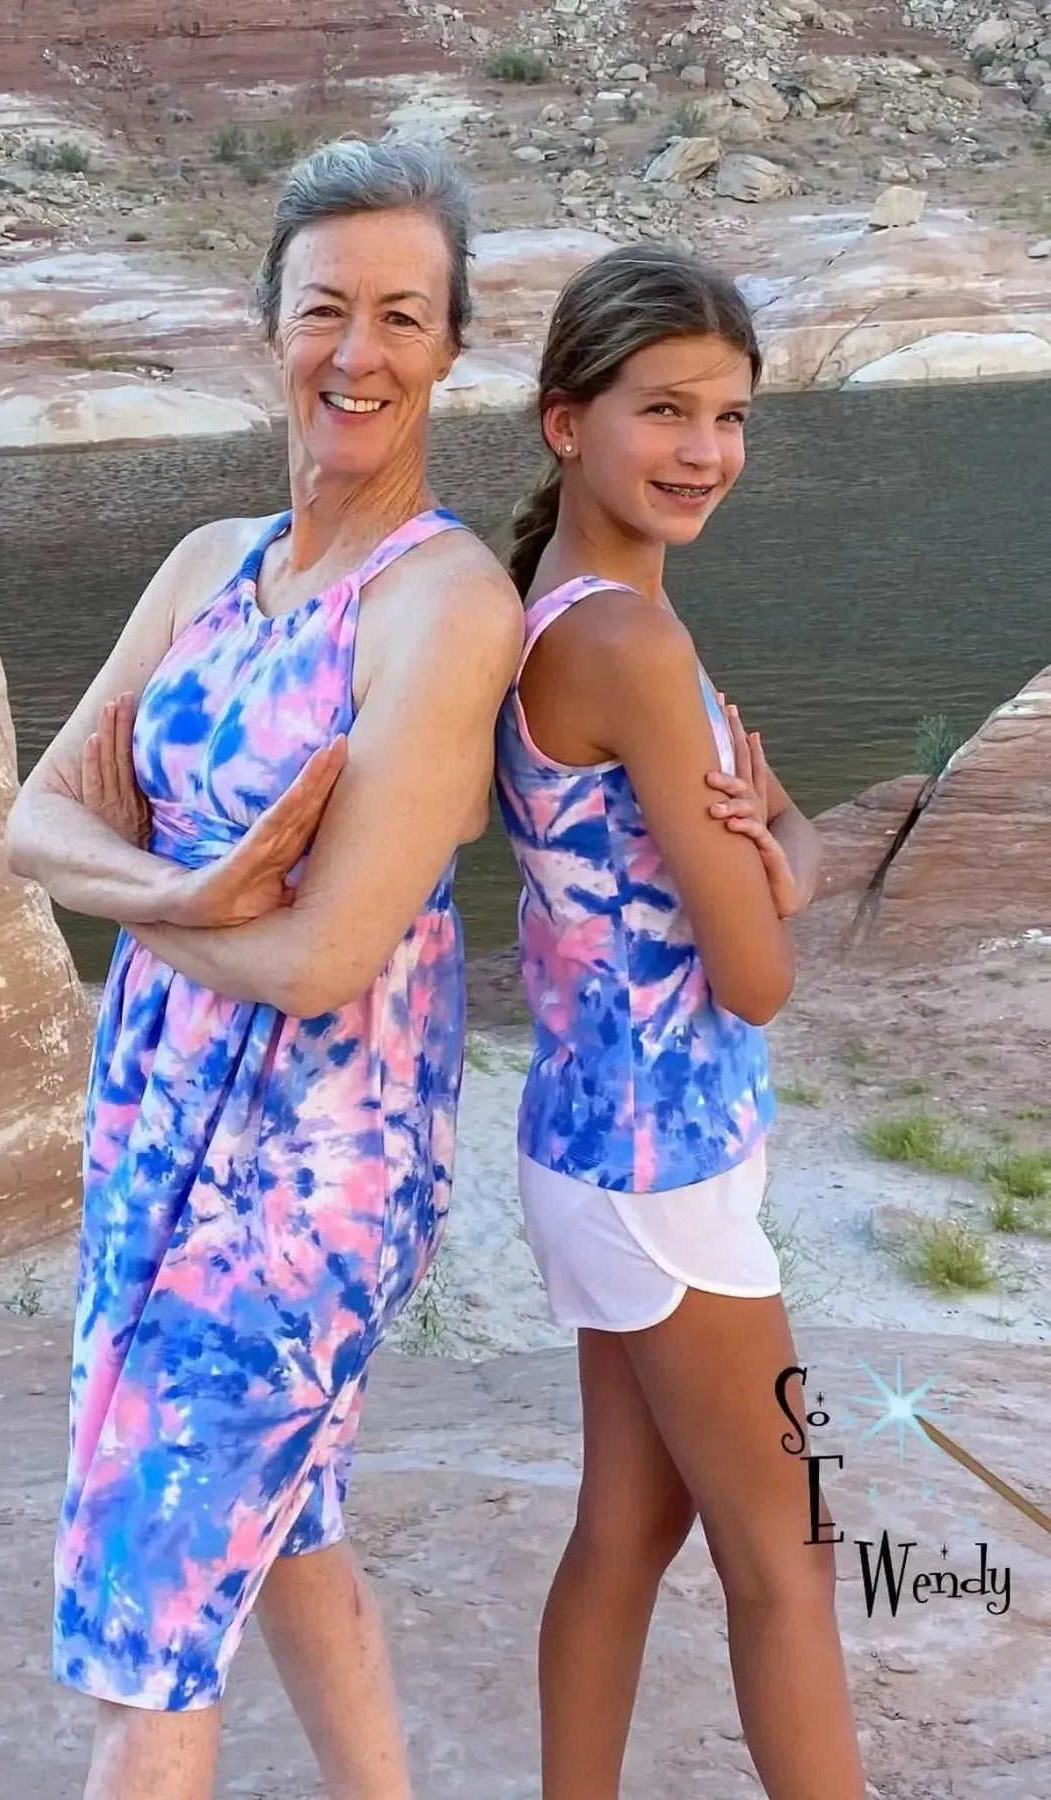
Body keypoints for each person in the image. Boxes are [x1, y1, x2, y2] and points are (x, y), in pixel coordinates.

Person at [5, 137, 522, 1800]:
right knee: (282, 1525)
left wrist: (155, 896)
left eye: (399, 315)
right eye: (323, 310)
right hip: (156, 1125)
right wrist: (202, 881)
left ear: (451, 347)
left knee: (153, 1605)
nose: (355, 354)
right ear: (270, 327)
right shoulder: (206, 565)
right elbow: (33, 820)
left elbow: (322, 960)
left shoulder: (444, 605)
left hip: (314, 1175)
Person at [494, 244, 866, 1799]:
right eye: (665, 409)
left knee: (630, 1528)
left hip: (601, 1146)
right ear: (565, 418)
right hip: (664, 1165)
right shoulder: (637, 648)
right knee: (791, 1562)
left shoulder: (571, 613)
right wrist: (786, 865)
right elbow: (760, 972)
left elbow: (777, 843)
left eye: (729, 414)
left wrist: (785, 853)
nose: (705, 449)